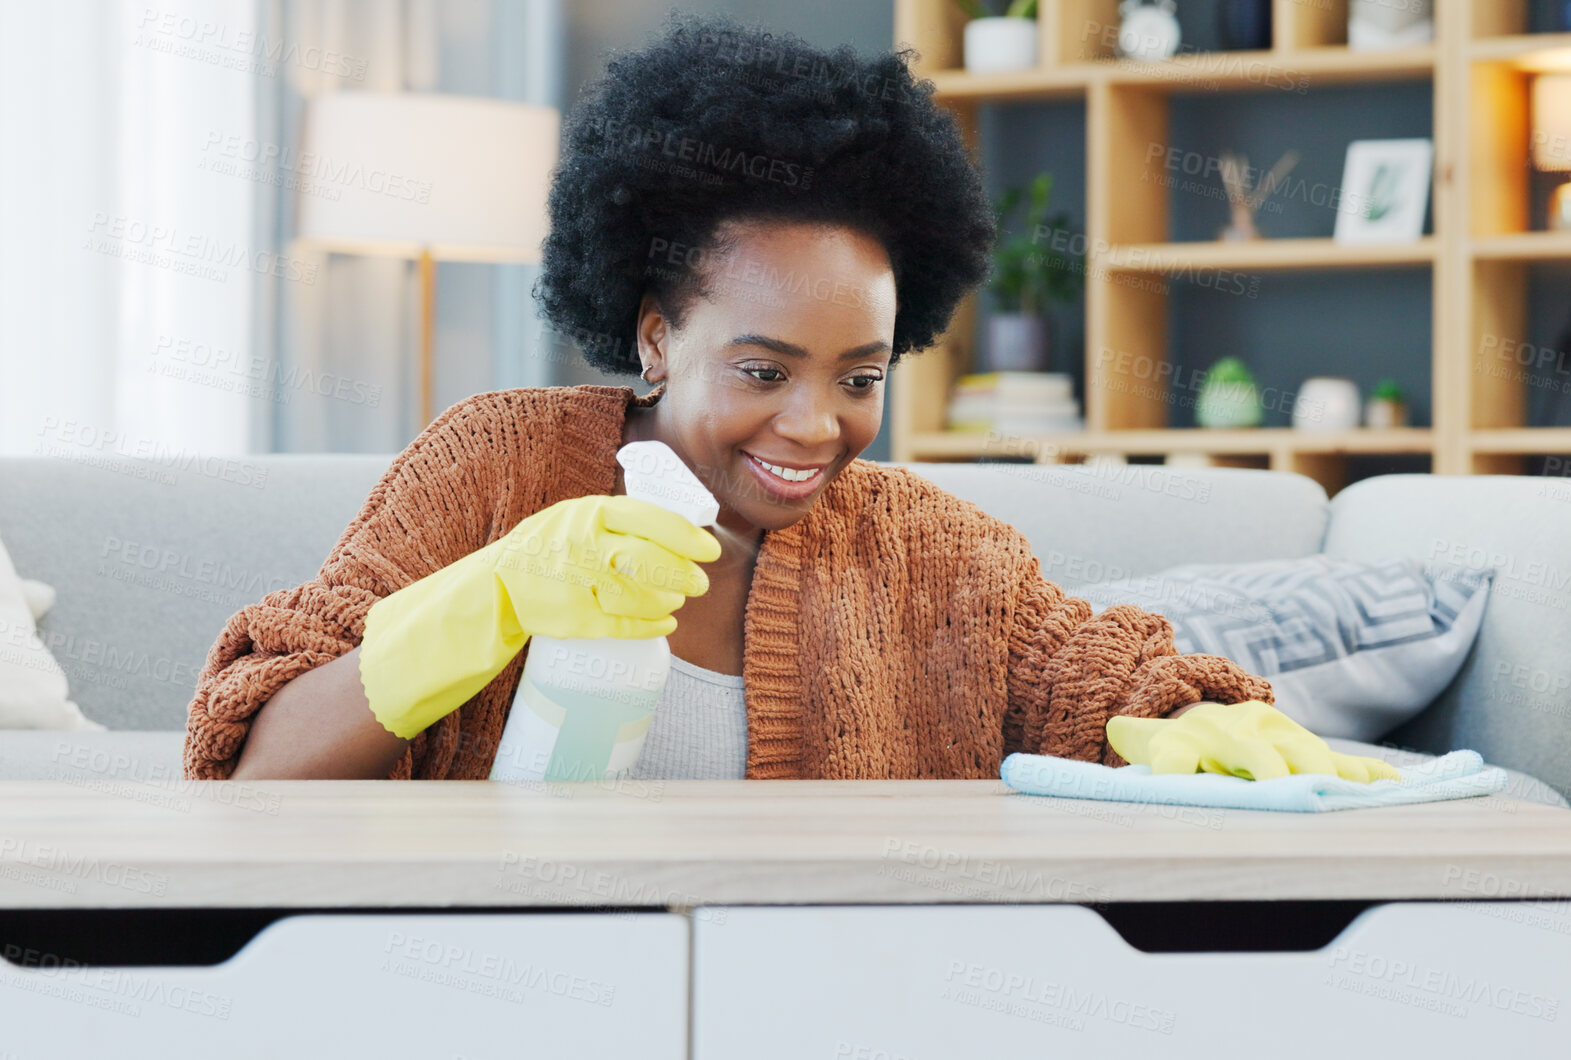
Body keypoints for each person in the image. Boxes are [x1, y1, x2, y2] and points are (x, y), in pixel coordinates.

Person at [183, 14, 1393, 785]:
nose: (815, 425)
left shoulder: (932, 552)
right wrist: (483, 598)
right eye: (762, 371)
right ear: (656, 336)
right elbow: (250, 764)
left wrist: (1189, 715)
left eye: (858, 377)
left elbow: (1090, 671)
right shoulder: (497, 462)